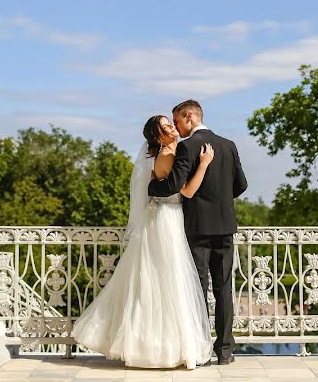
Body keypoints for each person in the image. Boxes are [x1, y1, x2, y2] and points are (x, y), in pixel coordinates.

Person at [70, 115, 214, 369]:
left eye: (171, 123)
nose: (172, 127)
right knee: (169, 281)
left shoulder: (166, 154)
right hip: (166, 221)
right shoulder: (169, 156)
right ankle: (165, 348)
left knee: (158, 281)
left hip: (162, 218)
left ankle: (157, 345)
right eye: (166, 126)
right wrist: (203, 164)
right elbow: (187, 192)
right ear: (158, 136)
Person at [148, 99, 248, 366]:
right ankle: (225, 351)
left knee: (198, 288)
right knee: (224, 289)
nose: (177, 128)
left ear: (189, 116)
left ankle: (202, 349)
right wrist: (222, 202)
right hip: (226, 226)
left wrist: (151, 189)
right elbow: (241, 184)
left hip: (197, 228)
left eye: (178, 121)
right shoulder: (229, 145)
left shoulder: (187, 147)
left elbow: (175, 184)